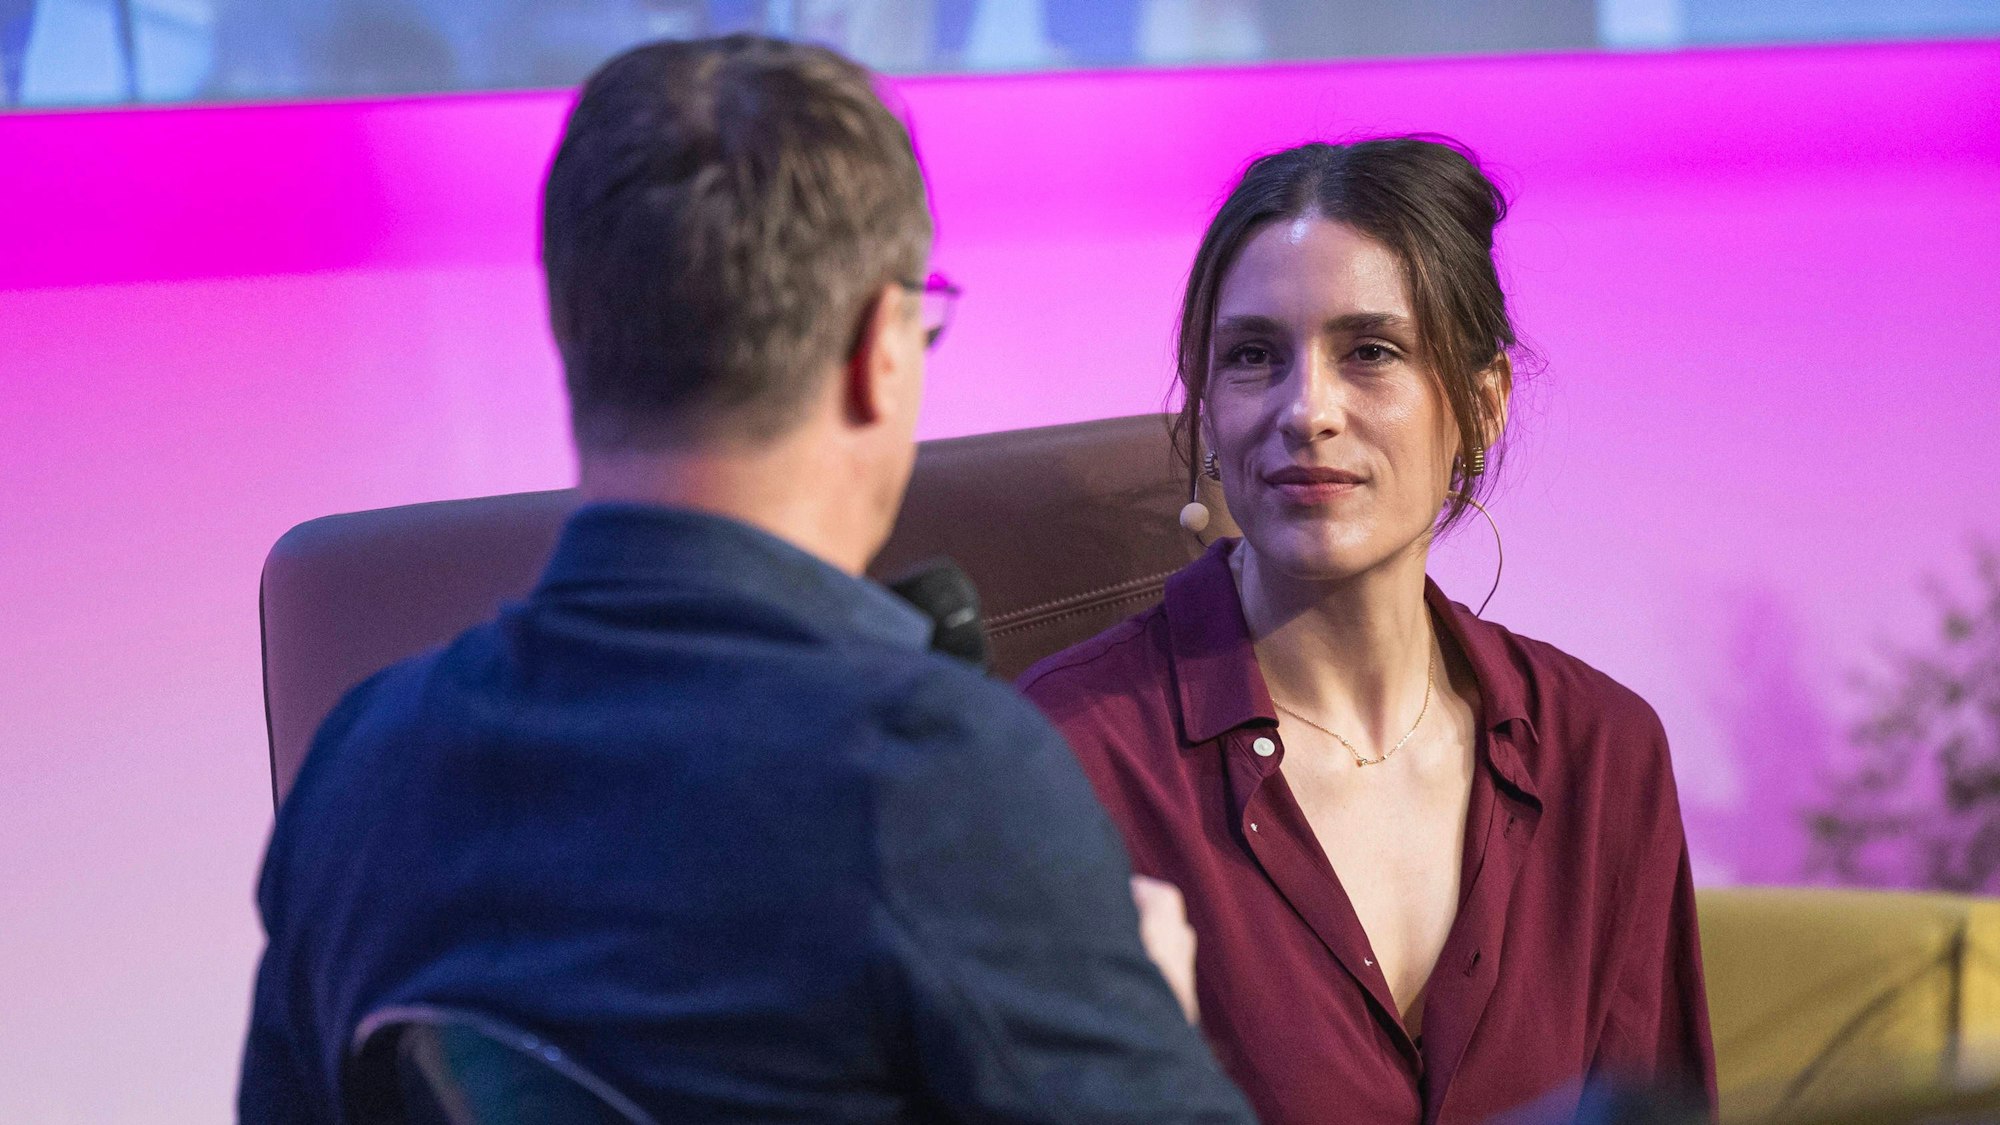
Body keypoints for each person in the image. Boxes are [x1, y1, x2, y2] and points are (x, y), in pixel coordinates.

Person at [239, 35, 1255, 1124]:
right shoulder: (938, 780)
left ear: (571, 334)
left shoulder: (360, 766)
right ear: (881, 348)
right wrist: (1147, 1001)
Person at [1020, 137, 1717, 1125]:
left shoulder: (1603, 753)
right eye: (1253, 356)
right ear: (1208, 410)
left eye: (1369, 352)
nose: (1306, 410)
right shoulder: (1063, 755)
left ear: (1482, 402)